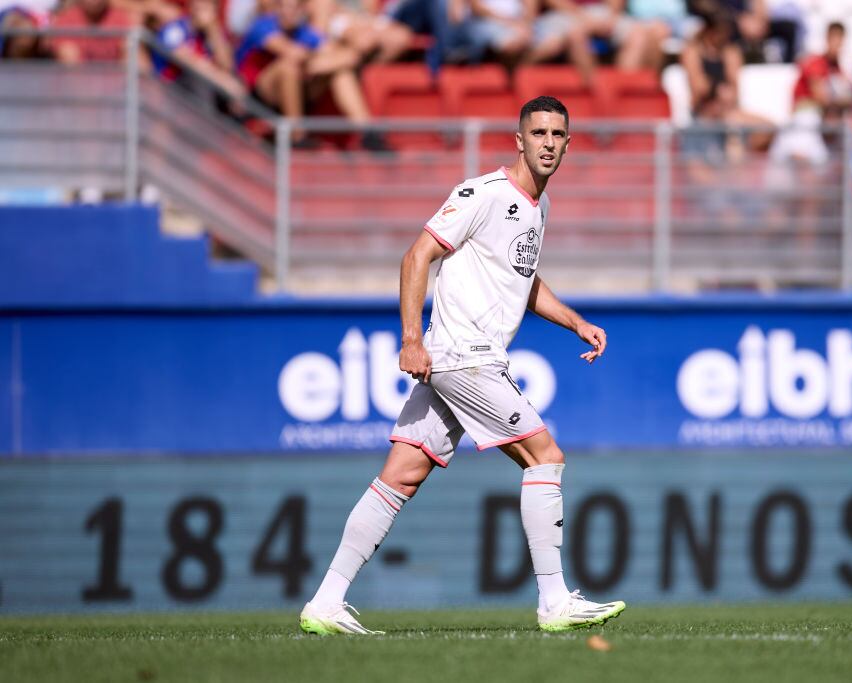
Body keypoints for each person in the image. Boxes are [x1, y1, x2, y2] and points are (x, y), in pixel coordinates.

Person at [299, 96, 626, 636]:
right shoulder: (484, 193)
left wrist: (575, 322)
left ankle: (325, 601)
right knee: (545, 456)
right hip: (462, 357)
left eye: (557, 134)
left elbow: (522, 280)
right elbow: (416, 255)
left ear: (569, 143)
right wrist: (411, 338)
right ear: (518, 140)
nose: (548, 142)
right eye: (538, 132)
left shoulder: (539, 207)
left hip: (460, 361)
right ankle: (554, 601)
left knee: (401, 475)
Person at [235, 0, 383, 148]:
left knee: (341, 73)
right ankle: (296, 135)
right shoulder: (262, 25)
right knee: (288, 68)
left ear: (303, 10)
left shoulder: (305, 32)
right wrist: (322, 60)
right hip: (256, 99)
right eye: (283, 6)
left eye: (294, 7)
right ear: (276, 8)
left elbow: (348, 57)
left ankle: (367, 132)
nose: (288, 12)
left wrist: (324, 61)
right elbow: (292, 53)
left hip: (299, 92)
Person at [681, 11, 773, 158]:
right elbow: (699, 88)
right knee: (733, 126)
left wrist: (722, 95)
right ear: (709, 30)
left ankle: (734, 168)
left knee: (768, 129)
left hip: (728, 111)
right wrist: (718, 91)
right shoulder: (692, 51)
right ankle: (732, 169)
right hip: (703, 113)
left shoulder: (731, 52)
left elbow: (733, 91)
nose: (723, 36)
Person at [770, 21, 852, 165]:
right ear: (827, 39)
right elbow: (822, 97)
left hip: (822, 126)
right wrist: (845, 100)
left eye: (840, 40)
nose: (837, 45)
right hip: (804, 122)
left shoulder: (839, 70)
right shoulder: (815, 63)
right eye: (834, 39)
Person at [152, 0, 247, 101]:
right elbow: (189, 62)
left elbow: (228, 66)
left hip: (194, 97)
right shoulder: (175, 29)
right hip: (167, 90)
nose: (201, 7)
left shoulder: (211, 35)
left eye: (207, 5)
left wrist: (213, 30)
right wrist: (223, 81)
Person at [50, 0, 136, 64]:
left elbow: (136, 62)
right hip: (81, 84)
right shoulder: (66, 21)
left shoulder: (121, 18)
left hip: (117, 84)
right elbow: (72, 67)